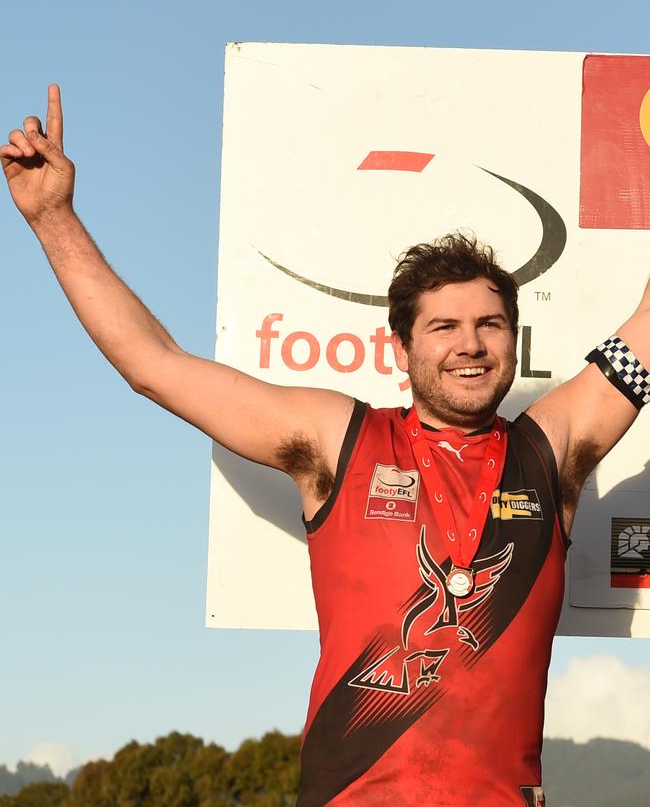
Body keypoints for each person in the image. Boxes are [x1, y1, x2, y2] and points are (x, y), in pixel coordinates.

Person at [2, 86, 649, 807]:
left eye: (490, 324)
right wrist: (54, 220)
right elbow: (154, 365)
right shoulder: (341, 441)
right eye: (444, 327)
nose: (470, 344)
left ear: (513, 339)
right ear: (400, 346)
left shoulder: (549, 449)